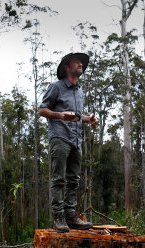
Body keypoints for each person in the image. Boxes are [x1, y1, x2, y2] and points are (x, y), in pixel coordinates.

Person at [39, 52, 98, 233]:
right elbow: (42, 110)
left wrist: (89, 119)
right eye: (76, 62)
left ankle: (71, 215)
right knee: (59, 178)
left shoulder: (79, 91)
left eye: (82, 63)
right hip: (60, 137)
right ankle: (59, 217)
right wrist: (58, 115)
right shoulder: (56, 87)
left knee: (74, 179)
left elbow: (77, 116)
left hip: (76, 140)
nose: (80, 64)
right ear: (67, 67)